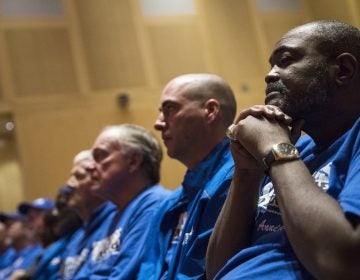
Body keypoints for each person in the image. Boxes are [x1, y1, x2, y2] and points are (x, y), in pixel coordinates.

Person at [206, 20, 360, 280]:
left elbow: (343, 262)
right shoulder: (299, 149)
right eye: (271, 65)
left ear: (343, 70)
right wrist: (247, 170)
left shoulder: (286, 150)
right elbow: (217, 269)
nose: (270, 75)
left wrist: (276, 149)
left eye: (286, 60)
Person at [138, 73, 237, 279]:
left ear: (210, 111)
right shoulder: (170, 204)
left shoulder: (240, 179)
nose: (158, 124)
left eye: (170, 109)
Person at [77, 124, 170, 279]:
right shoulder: (112, 215)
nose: (90, 167)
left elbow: (126, 276)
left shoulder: (153, 204)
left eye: (100, 156)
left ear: (133, 161)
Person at [61, 150, 117, 280]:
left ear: (99, 180)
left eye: (78, 176)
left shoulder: (116, 225)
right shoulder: (76, 236)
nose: (69, 184)